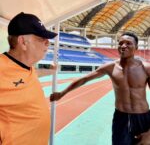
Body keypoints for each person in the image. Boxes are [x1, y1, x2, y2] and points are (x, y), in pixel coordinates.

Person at [50, 32, 150, 145]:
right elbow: (84, 79)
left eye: (128, 43)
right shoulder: (110, 67)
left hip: (143, 117)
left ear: (136, 47)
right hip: (121, 118)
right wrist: (62, 93)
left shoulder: (146, 68)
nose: (123, 46)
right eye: (120, 43)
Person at [0, 12, 57, 145]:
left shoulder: (28, 67)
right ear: (23, 42)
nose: (47, 43)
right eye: (41, 38)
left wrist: (51, 70)